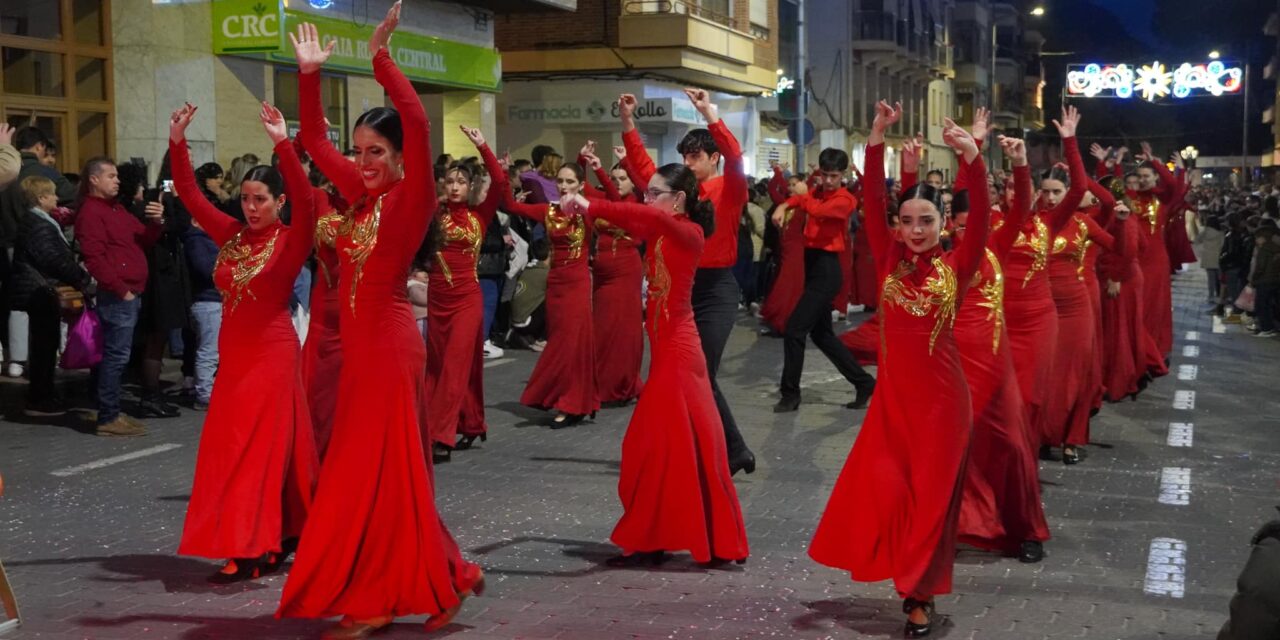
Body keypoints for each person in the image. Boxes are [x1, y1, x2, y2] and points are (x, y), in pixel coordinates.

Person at [277, 10, 483, 638]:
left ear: (399, 157)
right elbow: (313, 144)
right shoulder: (361, 195)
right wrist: (309, 76)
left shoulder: (411, 196)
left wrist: (380, 57)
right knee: (388, 477)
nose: (363, 161)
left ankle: (374, 599)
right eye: (360, 151)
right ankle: (449, 573)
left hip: (392, 352)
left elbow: (418, 120)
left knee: (370, 474)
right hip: (362, 354)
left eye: (377, 152)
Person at [809, 102, 989, 638]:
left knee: (930, 502)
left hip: (942, 405)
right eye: (907, 221)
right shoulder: (889, 259)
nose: (915, 229)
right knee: (888, 492)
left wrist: (972, 158)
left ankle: (918, 596)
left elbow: (978, 213)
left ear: (942, 225)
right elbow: (870, 197)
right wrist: (876, 138)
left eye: (926, 221)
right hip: (893, 403)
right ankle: (902, 575)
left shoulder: (961, 262)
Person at [561, 163, 749, 567]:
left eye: (654, 192)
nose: (647, 200)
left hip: (679, 354)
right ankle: (678, 536)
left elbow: (641, 214)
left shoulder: (689, 232)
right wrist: (591, 200)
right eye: (646, 192)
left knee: (652, 447)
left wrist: (588, 202)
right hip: (667, 352)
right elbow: (634, 214)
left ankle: (672, 536)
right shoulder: (663, 230)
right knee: (673, 449)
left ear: (678, 199)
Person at [168, 100, 320, 584]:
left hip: (272, 357)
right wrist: (177, 142)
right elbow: (190, 195)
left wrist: (282, 143)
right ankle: (271, 537)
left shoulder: (293, 238)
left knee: (257, 454)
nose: (251, 208)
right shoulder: (232, 236)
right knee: (232, 453)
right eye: (247, 199)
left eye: (261, 200)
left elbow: (307, 196)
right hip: (235, 361)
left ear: (279, 202)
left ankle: (254, 546)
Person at [620, 89, 756, 476]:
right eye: (684, 156)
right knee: (680, 374)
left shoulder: (730, 188)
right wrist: (628, 122)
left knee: (702, 373)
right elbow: (645, 168)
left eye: (695, 156)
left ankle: (732, 449)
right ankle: (712, 448)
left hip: (716, 290)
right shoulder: (679, 195)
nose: (687, 162)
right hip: (679, 292)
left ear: (713, 158)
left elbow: (736, 156)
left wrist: (709, 113)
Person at [772, 147, 876, 413]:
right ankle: (863, 382)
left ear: (843, 174)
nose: (828, 180)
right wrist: (785, 204)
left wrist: (799, 197)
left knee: (795, 329)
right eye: (825, 175)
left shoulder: (846, 199)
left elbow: (819, 211)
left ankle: (790, 394)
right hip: (813, 264)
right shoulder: (816, 192)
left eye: (834, 175)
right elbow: (802, 202)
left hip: (828, 271)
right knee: (822, 335)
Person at [499, 156, 600, 426]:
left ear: (580, 185)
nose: (564, 185)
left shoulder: (588, 212)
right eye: (561, 181)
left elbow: (612, 205)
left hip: (578, 284)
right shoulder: (548, 211)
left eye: (571, 181)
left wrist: (589, 164)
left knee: (571, 344)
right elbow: (509, 205)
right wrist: (500, 169)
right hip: (555, 283)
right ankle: (576, 400)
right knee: (561, 342)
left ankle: (571, 402)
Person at [422, 126, 500, 462]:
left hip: (468, 298)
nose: (454, 187)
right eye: (449, 181)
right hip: (438, 298)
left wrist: (482, 145)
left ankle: (440, 435)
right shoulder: (432, 213)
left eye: (461, 182)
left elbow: (499, 180)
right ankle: (472, 423)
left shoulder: (479, 215)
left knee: (454, 366)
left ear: (471, 187)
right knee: (442, 367)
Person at [76, 156, 165, 437]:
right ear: (94, 179)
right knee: (116, 356)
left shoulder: (116, 210)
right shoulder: (91, 213)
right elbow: (95, 259)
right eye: (111, 176)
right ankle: (108, 416)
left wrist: (155, 222)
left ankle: (108, 408)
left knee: (115, 355)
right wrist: (121, 289)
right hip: (119, 294)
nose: (117, 181)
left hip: (130, 290)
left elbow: (143, 238)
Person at [1036, 112, 1096, 465]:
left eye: (1056, 192)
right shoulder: (1034, 223)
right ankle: (1044, 433)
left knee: (1075, 375)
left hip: (1076, 308)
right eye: (1044, 192)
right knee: (1045, 375)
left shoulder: (1076, 221)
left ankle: (1073, 438)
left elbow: (1081, 188)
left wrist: (1071, 141)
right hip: (1042, 310)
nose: (1051, 198)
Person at [10, 176, 92, 416]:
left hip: (40, 289)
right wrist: (80, 276)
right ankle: (40, 394)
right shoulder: (39, 224)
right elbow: (52, 259)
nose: (57, 198)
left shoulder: (39, 221)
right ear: (41, 198)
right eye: (53, 194)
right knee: (45, 344)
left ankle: (42, 391)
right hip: (41, 290)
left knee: (45, 343)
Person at [581, 142, 644, 407]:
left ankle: (621, 384)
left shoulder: (637, 203)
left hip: (626, 272)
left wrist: (620, 165)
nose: (617, 183)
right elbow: (580, 186)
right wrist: (582, 159)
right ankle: (600, 381)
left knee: (624, 330)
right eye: (614, 178)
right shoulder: (604, 199)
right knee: (602, 329)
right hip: (603, 275)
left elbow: (627, 195)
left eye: (622, 178)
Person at [182, 211, 221, 411]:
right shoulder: (196, 241)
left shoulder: (206, 240)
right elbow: (205, 268)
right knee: (209, 349)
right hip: (207, 301)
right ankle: (204, 393)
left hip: (214, 300)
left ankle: (208, 388)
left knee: (213, 349)